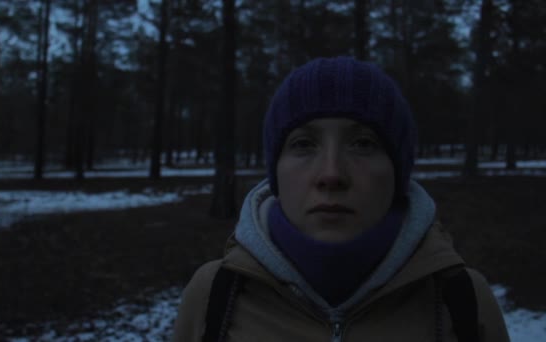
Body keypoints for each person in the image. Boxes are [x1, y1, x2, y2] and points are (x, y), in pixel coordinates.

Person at [172, 56, 509, 341]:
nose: (331, 174)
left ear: (397, 173)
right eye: (303, 144)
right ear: (276, 172)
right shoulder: (214, 296)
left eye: (363, 144)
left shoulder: (462, 300)